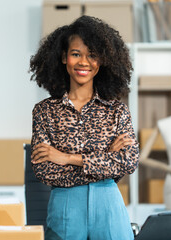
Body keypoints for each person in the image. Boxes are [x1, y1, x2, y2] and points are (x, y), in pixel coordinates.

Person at [29, 16, 139, 240]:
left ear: (102, 61)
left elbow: (129, 161)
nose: (84, 62)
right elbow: (45, 171)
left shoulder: (117, 111)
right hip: (65, 210)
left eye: (92, 55)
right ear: (63, 57)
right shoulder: (45, 111)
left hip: (109, 209)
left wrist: (67, 158)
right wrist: (106, 159)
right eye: (76, 54)